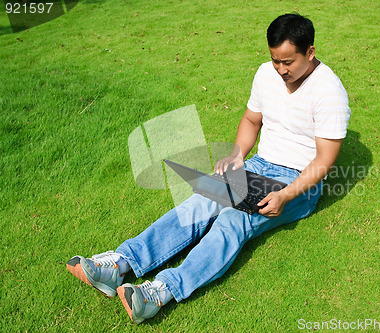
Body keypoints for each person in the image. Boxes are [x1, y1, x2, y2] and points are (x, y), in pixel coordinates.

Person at [66, 13, 351, 324]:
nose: (281, 69)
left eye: (288, 62)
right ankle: (121, 264)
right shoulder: (265, 74)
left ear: (309, 52)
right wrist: (238, 155)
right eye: (275, 60)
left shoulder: (329, 91)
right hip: (257, 166)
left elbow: (324, 160)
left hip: (296, 182)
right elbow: (251, 120)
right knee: (201, 200)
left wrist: (286, 195)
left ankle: (161, 292)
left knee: (234, 219)